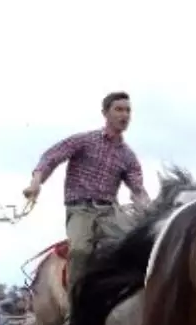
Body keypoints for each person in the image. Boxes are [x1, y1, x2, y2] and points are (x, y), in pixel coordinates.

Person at [23, 91, 149, 298]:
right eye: (118, 109)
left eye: (127, 110)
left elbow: (137, 189)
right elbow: (50, 158)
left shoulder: (128, 156)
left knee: (137, 243)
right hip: (81, 209)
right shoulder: (85, 141)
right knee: (80, 251)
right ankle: (75, 308)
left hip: (109, 212)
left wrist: (150, 210)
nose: (124, 115)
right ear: (105, 113)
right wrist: (35, 183)